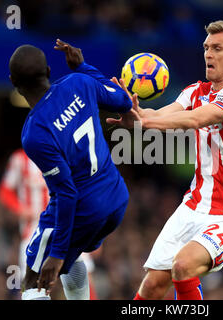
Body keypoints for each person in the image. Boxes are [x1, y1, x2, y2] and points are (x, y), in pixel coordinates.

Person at [107, 20, 223, 300]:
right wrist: (134, 112)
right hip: (194, 205)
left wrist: (143, 124)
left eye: (217, 48)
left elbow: (196, 118)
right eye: (206, 47)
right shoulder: (196, 91)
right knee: (153, 285)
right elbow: (160, 114)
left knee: (183, 265)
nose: (208, 54)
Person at [8, 39, 132, 300]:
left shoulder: (35, 133)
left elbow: (66, 193)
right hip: (117, 199)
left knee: (33, 279)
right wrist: (84, 66)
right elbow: (123, 100)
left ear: (14, 84)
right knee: (71, 263)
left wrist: (56, 253)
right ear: (49, 71)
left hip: (85, 207)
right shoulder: (79, 82)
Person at [0, 148, 98, 299]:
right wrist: (21, 209)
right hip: (34, 231)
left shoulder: (69, 153)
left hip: (70, 228)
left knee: (83, 280)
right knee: (31, 286)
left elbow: (85, 192)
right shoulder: (20, 159)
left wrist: (95, 231)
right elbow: (5, 190)